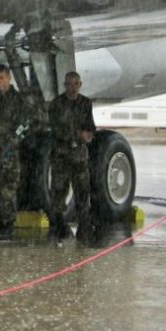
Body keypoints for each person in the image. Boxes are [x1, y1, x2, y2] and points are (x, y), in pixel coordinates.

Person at [47, 71, 96, 242]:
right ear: (64, 85)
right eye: (69, 84)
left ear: (80, 84)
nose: (72, 87)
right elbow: (56, 129)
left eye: (76, 84)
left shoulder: (85, 103)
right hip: (61, 156)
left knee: (82, 193)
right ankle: (59, 226)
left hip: (79, 157)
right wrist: (77, 135)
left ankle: (84, 227)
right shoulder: (56, 104)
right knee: (59, 192)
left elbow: (90, 125)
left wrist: (88, 135)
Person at [0, 64, 32, 240]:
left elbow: (22, 127)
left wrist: (4, 147)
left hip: (9, 153)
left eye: (2, 78)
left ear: (9, 77)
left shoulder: (18, 100)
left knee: (8, 190)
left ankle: (7, 224)